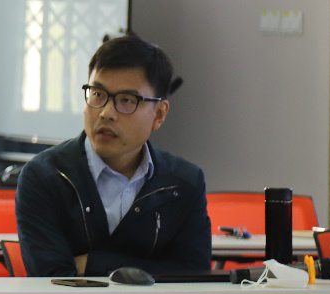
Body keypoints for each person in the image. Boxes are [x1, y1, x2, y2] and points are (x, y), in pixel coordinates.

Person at [15, 34, 210, 277]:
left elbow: (194, 277)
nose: (106, 113)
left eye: (127, 100)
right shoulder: (45, 177)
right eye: (97, 94)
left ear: (159, 114)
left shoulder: (184, 183)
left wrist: (92, 265)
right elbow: (52, 279)